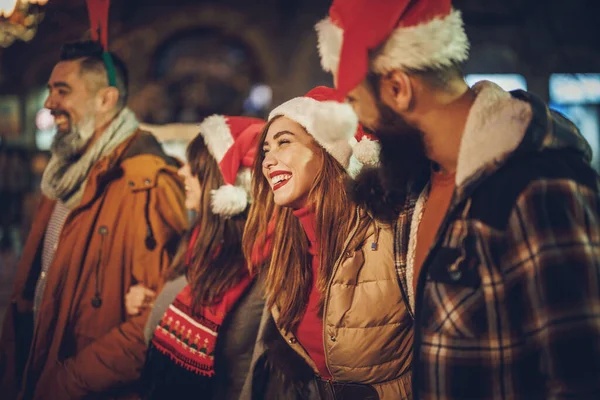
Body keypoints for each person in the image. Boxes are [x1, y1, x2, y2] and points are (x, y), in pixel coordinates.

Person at [315, 0, 600, 398]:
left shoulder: (537, 188)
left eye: (357, 103)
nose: (360, 122)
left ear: (397, 88)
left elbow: (579, 379)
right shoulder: (420, 184)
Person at [0, 40, 188, 400]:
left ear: (106, 100)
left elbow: (154, 319)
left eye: (62, 90)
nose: (49, 103)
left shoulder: (147, 183)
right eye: (50, 90)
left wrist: (67, 380)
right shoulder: (63, 175)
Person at [242, 86, 413, 399]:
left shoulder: (388, 231)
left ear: (327, 149)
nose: (268, 161)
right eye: (266, 149)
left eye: (283, 143)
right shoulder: (289, 246)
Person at [124, 115, 268, 400]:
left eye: (195, 168)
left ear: (224, 184)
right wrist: (150, 300)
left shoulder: (262, 268)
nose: (181, 172)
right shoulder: (198, 244)